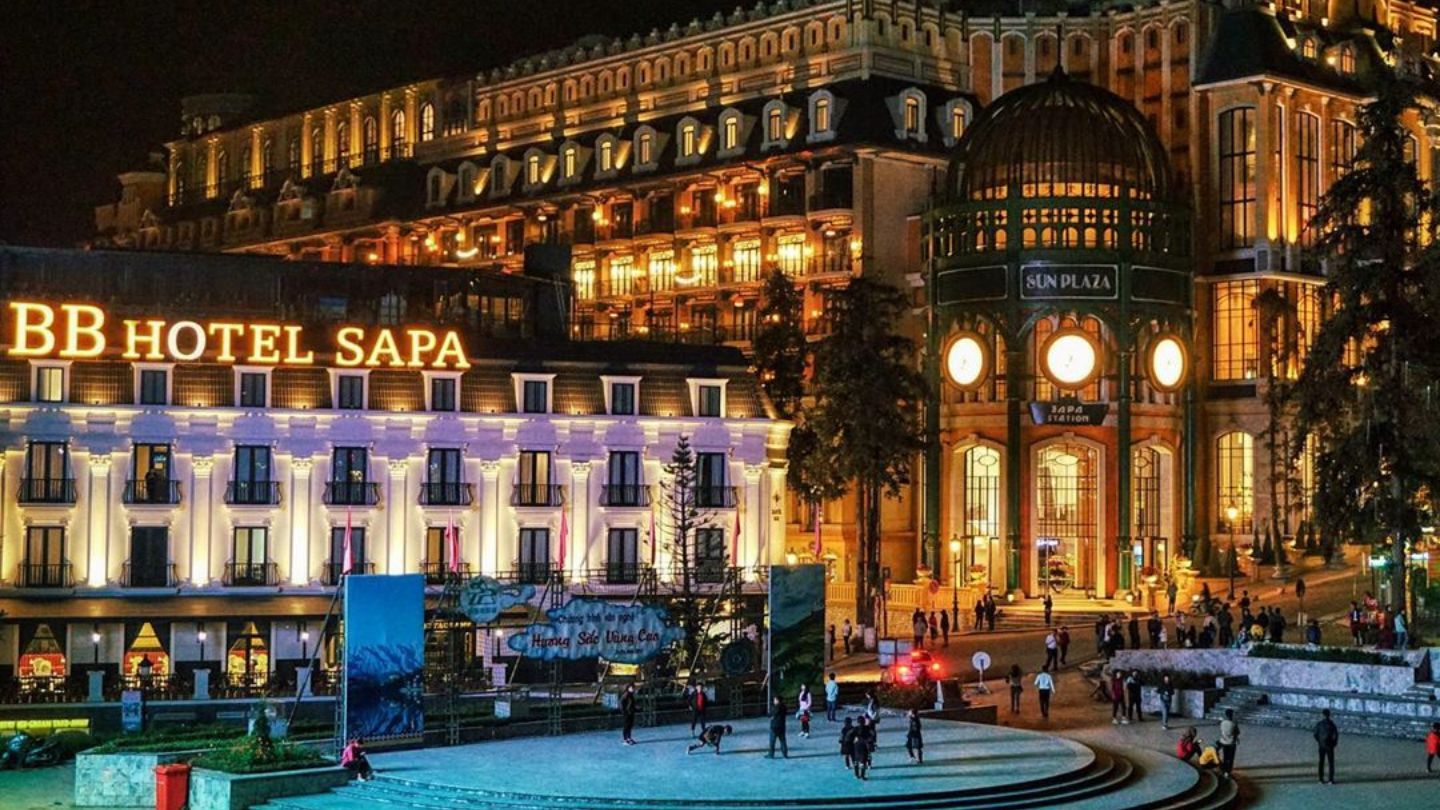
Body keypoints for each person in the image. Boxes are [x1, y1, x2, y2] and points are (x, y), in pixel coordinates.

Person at [1313, 708, 1339, 784]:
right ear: (1329, 715)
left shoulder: (1319, 724)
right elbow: (1335, 735)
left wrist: (1319, 741)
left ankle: (1320, 779)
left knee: (1321, 762)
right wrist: (1334, 743)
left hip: (1321, 745)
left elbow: (1315, 734)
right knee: (1331, 762)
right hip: (1329, 745)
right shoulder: (1332, 724)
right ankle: (1330, 779)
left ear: (1322, 715)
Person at [1218, 708, 1240, 778]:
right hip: (1231, 743)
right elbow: (1237, 732)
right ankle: (1228, 771)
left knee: (1225, 757)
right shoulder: (1233, 724)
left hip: (1224, 742)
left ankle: (1224, 770)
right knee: (1230, 758)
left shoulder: (1222, 723)